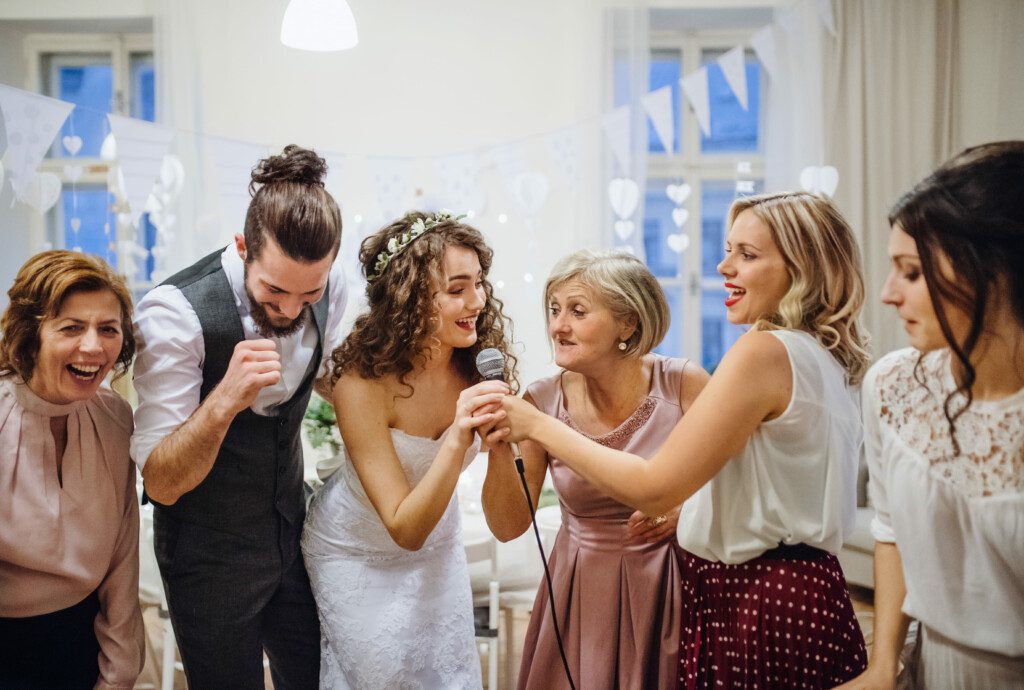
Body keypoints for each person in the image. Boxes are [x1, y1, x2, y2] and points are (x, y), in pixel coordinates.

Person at [487, 191, 871, 688]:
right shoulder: (818, 353)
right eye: (554, 308)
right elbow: (745, 479)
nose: (722, 265)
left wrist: (538, 427)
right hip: (804, 592)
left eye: (746, 255)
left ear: (801, 268)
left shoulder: (759, 354)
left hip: (755, 596)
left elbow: (656, 486)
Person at [131, 145, 347, 688]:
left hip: (294, 537)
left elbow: (336, 381)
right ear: (243, 246)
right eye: (274, 290)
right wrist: (224, 398)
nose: (292, 310)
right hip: (207, 557)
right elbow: (161, 481)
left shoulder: (329, 287)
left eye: (309, 293)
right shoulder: (174, 313)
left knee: (321, 677)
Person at [301, 210, 516, 689]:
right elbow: (403, 527)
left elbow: (505, 523)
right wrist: (459, 434)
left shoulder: (479, 367)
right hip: (355, 552)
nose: (477, 301)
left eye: (479, 283)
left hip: (437, 547)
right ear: (409, 296)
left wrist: (504, 447)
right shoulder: (363, 384)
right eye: (456, 289)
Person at [838, 142, 1024, 689]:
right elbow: (890, 528)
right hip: (930, 667)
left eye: (912, 273)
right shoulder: (895, 385)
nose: (889, 294)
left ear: (996, 273)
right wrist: (882, 664)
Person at [481, 249, 710, 689]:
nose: (557, 325)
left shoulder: (683, 385)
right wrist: (497, 448)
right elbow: (508, 525)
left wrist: (687, 511)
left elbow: (736, 481)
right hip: (581, 593)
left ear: (628, 322)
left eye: (577, 311)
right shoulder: (540, 401)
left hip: (674, 584)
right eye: (554, 309)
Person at [0, 250, 144, 689]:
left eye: (108, 329)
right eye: (71, 328)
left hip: (82, 641)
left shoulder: (116, 416)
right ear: (32, 333)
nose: (93, 346)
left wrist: (117, 675)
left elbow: (123, 557)